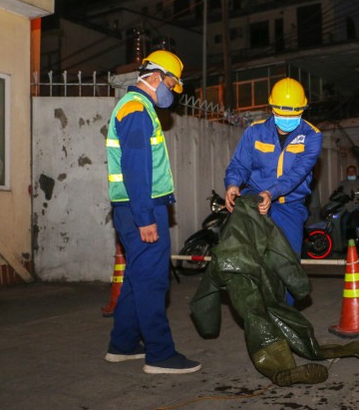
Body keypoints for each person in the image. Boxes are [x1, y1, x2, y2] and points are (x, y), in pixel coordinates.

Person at [104, 50, 201, 374]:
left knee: (136, 278)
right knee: (152, 282)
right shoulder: (136, 110)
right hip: (141, 210)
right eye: (172, 85)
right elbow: (135, 171)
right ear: (157, 77)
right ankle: (160, 354)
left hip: (134, 209)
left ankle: (124, 344)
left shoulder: (139, 108)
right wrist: (145, 218)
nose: (171, 93)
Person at [224, 77, 322, 304]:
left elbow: (298, 173)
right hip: (255, 204)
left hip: (290, 207)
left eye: (294, 113)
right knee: (253, 260)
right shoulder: (255, 131)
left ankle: (284, 316)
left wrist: (272, 193)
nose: (288, 119)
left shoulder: (312, 135)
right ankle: (260, 310)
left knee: (287, 263)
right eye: (283, 113)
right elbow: (240, 164)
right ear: (272, 108)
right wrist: (232, 184)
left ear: (303, 109)